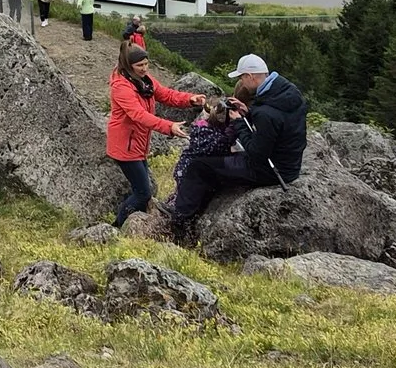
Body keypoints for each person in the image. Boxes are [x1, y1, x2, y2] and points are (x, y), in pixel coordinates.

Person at [166, 52, 308, 231]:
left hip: (271, 170)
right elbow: (275, 128)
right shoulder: (287, 93)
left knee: (198, 166)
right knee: (212, 165)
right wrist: (248, 112)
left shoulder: (265, 112)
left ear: (250, 76)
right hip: (291, 165)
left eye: (242, 77)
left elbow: (257, 154)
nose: (241, 82)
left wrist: (238, 122)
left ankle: (179, 221)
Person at [107, 40, 202, 226]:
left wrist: (190, 99)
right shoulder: (121, 87)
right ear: (129, 65)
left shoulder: (144, 81)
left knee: (141, 190)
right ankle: (116, 227)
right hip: (125, 147)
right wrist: (169, 127)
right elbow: (139, 115)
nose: (144, 68)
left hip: (137, 144)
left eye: (146, 63)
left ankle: (133, 225)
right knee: (143, 193)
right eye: (139, 65)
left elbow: (165, 94)